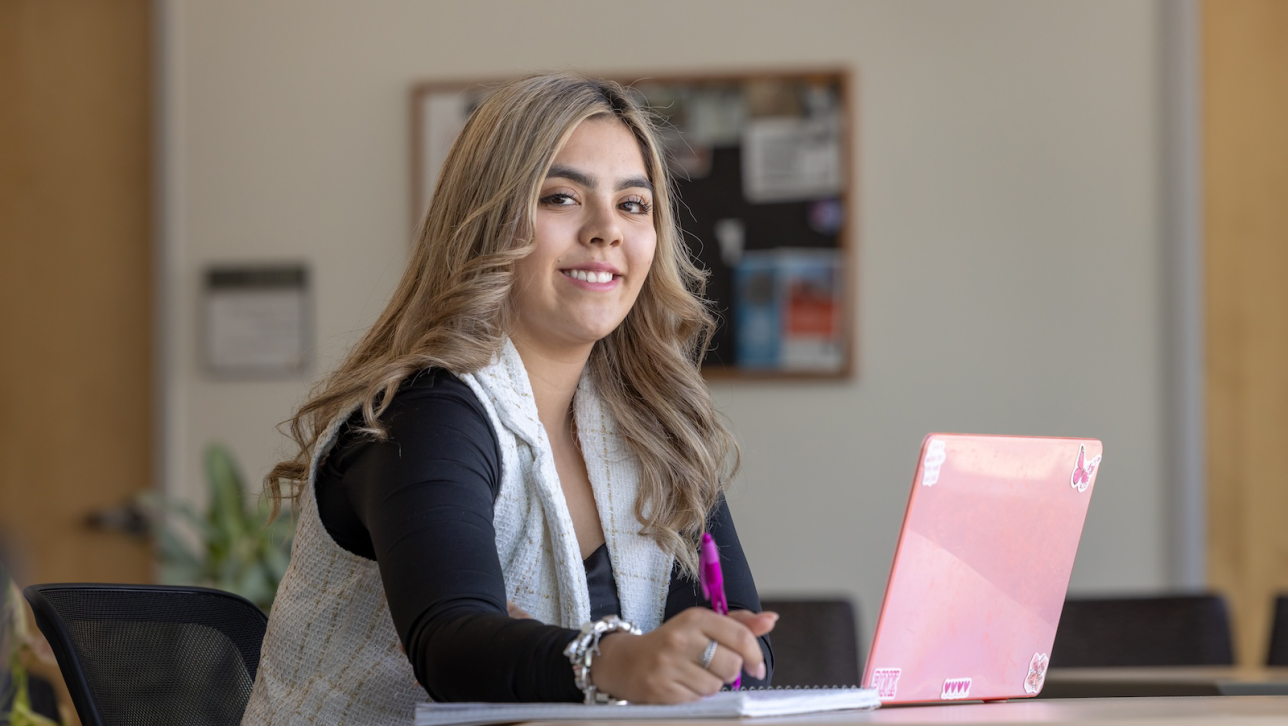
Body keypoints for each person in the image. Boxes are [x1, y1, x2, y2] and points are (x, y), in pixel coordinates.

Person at [242, 73, 776, 725]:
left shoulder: (653, 428)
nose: (607, 229)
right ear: (489, 221)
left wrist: (721, 656)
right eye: (561, 197)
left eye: (633, 205)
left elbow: (738, 643)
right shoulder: (426, 410)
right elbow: (451, 646)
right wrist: (618, 661)